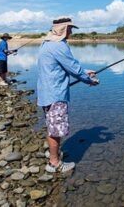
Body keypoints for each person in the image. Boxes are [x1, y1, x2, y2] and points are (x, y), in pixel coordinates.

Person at [37, 18, 99, 173]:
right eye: (69, 28)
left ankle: (52, 153)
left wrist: (84, 72)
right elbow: (73, 69)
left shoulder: (47, 43)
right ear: (62, 29)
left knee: (52, 126)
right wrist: (89, 81)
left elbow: (64, 67)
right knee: (56, 130)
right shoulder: (59, 46)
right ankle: (54, 163)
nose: (71, 31)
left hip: (46, 92)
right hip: (55, 94)